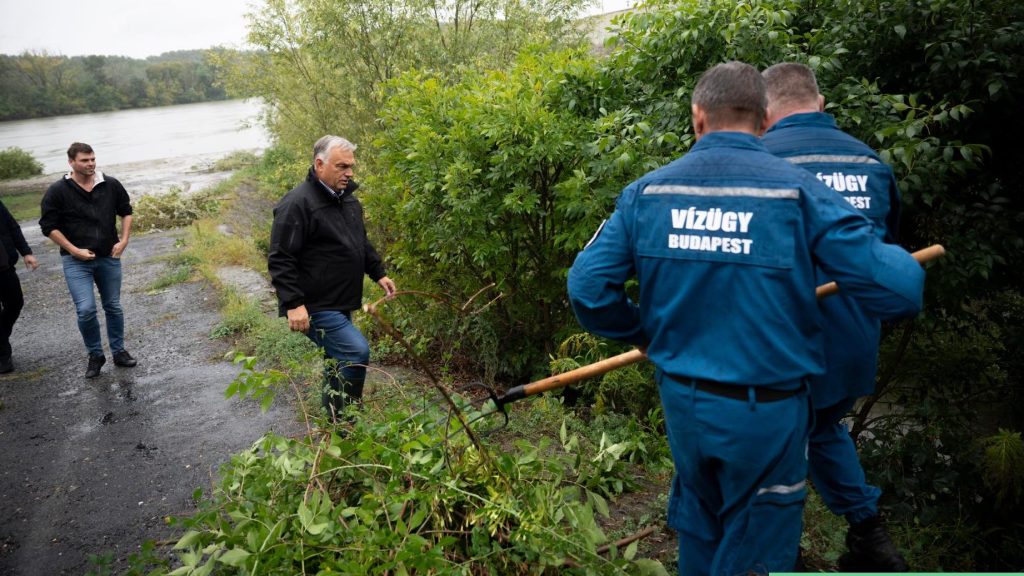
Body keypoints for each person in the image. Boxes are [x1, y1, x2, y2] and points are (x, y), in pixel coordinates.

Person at [566, 61, 926, 575]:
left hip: (684, 405)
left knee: (701, 528)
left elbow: (587, 289)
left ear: (697, 118)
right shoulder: (798, 191)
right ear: (763, 121)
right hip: (766, 414)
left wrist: (646, 333)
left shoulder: (648, 192)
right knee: (755, 547)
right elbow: (900, 287)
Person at [761, 61, 909, 571]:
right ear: (820, 104)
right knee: (822, 428)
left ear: (763, 114)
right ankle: (870, 533)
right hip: (851, 343)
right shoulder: (870, 163)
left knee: (770, 445)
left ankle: (777, 554)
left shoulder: (758, 161)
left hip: (781, 344)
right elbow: (883, 258)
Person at [268, 135, 396, 421]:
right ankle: (350, 420)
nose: (349, 173)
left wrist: (378, 273)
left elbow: (359, 242)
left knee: (336, 362)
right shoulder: (297, 204)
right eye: (341, 166)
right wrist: (293, 304)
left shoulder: (347, 201)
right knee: (355, 351)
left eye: (351, 166)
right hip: (315, 305)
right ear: (319, 164)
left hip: (340, 300)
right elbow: (280, 258)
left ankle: (334, 423)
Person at [40, 142, 138, 379]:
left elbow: (126, 211)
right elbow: (48, 227)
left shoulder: (110, 184)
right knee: (85, 310)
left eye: (92, 159)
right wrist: (74, 250)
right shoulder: (58, 191)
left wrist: (123, 240)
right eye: (84, 160)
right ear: (71, 162)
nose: (91, 164)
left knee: (113, 306)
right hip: (76, 261)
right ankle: (95, 355)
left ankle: (118, 351)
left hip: (108, 257)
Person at [0, 199, 39, 374]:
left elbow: (12, 227)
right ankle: (3, 356)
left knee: (15, 303)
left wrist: (26, 252)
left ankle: (1, 336)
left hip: (4, 266)